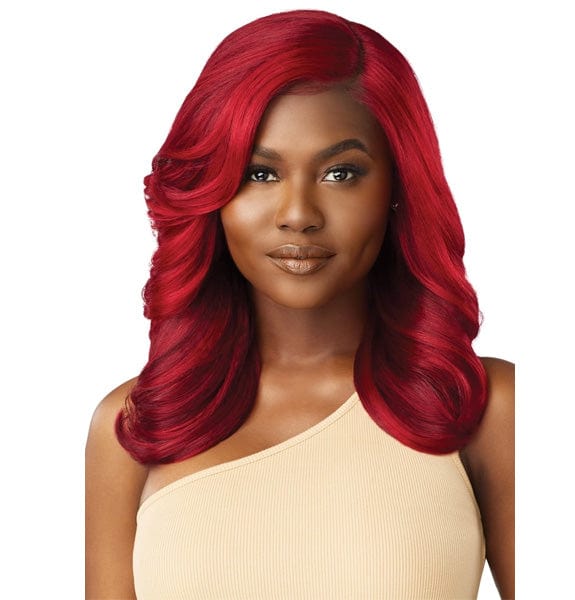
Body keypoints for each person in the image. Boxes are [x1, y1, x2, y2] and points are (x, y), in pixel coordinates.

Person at [85, 9, 514, 599]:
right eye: (260, 174)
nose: (298, 215)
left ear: (397, 188)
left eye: (341, 173)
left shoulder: (483, 406)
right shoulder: (134, 425)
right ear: (210, 193)